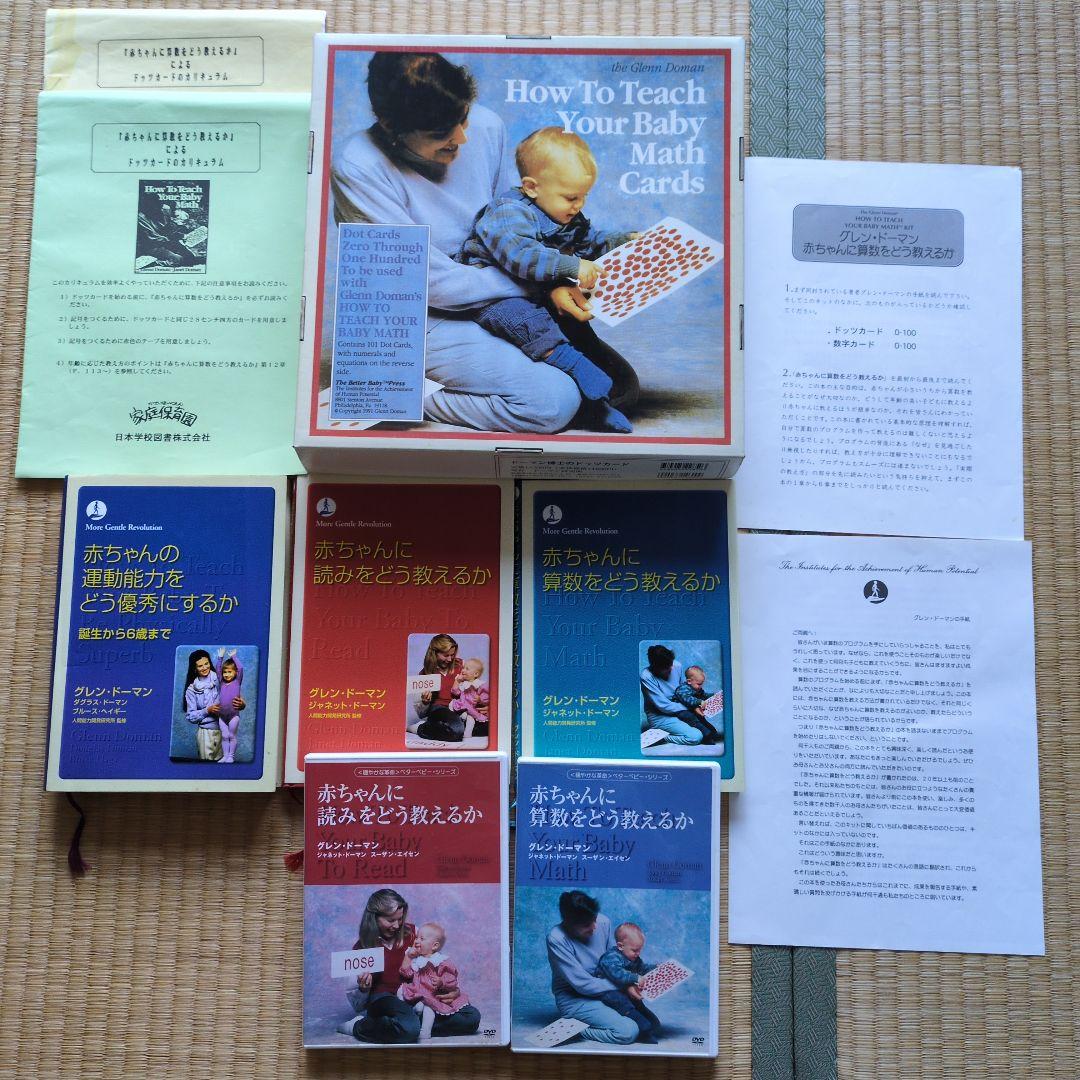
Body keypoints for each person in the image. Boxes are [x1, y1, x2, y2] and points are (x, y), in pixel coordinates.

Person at [330, 51, 638, 433]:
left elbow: (518, 222)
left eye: (463, 118)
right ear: (390, 125)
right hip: (419, 313)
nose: (462, 137)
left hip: (499, 291)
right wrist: (542, 283)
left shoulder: (485, 125)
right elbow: (430, 285)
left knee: (621, 388)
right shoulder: (359, 165)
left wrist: (554, 281)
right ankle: (402, 391)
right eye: (441, 132)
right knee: (553, 402)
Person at [456, 126, 638, 432]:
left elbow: (591, 242)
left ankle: (597, 391)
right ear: (531, 187)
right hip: (493, 295)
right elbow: (522, 256)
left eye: (584, 196)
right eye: (571, 197)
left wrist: (625, 241)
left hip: (538, 294)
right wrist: (572, 266)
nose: (579, 205)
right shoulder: (508, 213)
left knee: (575, 331)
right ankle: (581, 375)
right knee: (526, 320)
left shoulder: (564, 213)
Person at [338, 889, 481, 1043]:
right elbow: (358, 1005)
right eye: (390, 920)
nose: (396, 925)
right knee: (409, 1028)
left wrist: (453, 989)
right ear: (374, 918)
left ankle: (404, 1025)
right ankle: (358, 1026)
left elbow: (437, 965)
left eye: (400, 919)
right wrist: (363, 989)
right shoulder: (362, 949)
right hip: (385, 998)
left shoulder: (415, 933)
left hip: (417, 994)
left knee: (471, 1018)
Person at [544, 890, 638, 1046]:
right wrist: (625, 983)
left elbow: (615, 961)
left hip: (607, 992)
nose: (594, 926)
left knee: (650, 1025)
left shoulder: (603, 922)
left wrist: (637, 977)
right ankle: (577, 1030)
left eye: (594, 919)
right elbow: (583, 985)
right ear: (568, 923)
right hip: (575, 998)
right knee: (628, 1031)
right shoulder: (557, 938)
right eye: (587, 925)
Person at [396, 921, 473, 1041]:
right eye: (417, 938)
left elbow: (451, 979)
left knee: (429, 1008)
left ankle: (425, 1031)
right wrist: (409, 957)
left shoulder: (441, 961)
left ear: (434, 946)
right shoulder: (416, 959)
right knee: (401, 991)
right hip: (418, 992)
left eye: (421, 939)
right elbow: (406, 973)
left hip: (432, 994)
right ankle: (415, 1009)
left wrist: (441, 982)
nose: (416, 941)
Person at [594, 922, 662, 1044]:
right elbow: (617, 973)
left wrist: (655, 968)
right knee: (623, 1003)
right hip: (608, 991)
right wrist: (635, 978)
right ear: (620, 946)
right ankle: (643, 1028)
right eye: (635, 950)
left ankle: (648, 1022)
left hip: (624, 990)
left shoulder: (633, 957)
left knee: (653, 1022)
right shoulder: (611, 958)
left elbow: (642, 968)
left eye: (640, 950)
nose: (638, 953)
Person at [639, 644, 717, 746]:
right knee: (695, 737)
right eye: (667, 667)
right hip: (661, 716)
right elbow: (664, 706)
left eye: (671, 663)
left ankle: (701, 731)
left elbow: (685, 691)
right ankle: (663, 737)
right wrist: (692, 707)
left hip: (682, 711)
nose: (672, 668)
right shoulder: (647, 676)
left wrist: (696, 704)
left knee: (707, 730)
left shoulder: (676, 665)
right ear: (656, 668)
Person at [411, 634, 476, 742]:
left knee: (488, 725)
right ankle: (420, 727)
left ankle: (440, 725)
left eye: (452, 655)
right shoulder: (425, 674)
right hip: (439, 708)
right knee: (456, 731)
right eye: (446, 655)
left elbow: (475, 688)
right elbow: (421, 713)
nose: (450, 659)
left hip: (460, 706)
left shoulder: (462, 665)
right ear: (434, 653)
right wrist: (425, 702)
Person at [182, 649, 223, 761]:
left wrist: (241, 704)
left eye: (206, 663)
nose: (205, 667)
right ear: (194, 668)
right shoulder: (191, 689)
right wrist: (207, 710)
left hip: (224, 729)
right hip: (205, 733)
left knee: (223, 765)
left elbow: (232, 693)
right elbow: (190, 716)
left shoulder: (219, 678)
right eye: (200, 666)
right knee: (207, 765)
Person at [672, 664, 722, 745]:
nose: (700, 686)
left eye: (702, 683)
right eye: (699, 684)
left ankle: (713, 732)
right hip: (681, 711)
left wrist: (714, 696)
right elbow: (687, 699)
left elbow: (704, 695)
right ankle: (706, 736)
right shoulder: (682, 689)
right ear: (689, 681)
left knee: (702, 719)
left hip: (692, 709)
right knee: (692, 719)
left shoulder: (697, 688)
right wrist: (699, 702)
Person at [214, 649, 247, 764]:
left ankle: (231, 757)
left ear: (235, 673)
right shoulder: (222, 682)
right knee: (224, 736)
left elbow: (241, 668)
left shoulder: (237, 682)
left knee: (231, 735)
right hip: (222, 716)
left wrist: (234, 657)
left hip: (233, 716)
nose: (226, 674)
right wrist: (220, 657)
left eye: (229, 672)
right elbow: (218, 669)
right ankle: (225, 756)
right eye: (225, 672)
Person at [449, 657, 489, 739]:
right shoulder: (463, 683)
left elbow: (486, 696)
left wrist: (480, 699)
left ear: (475, 674)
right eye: (463, 668)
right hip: (463, 704)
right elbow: (455, 692)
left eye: (467, 669)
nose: (463, 670)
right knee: (452, 704)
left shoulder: (479, 684)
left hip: (472, 707)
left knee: (470, 719)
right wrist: (457, 681)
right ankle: (462, 716)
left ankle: (467, 733)